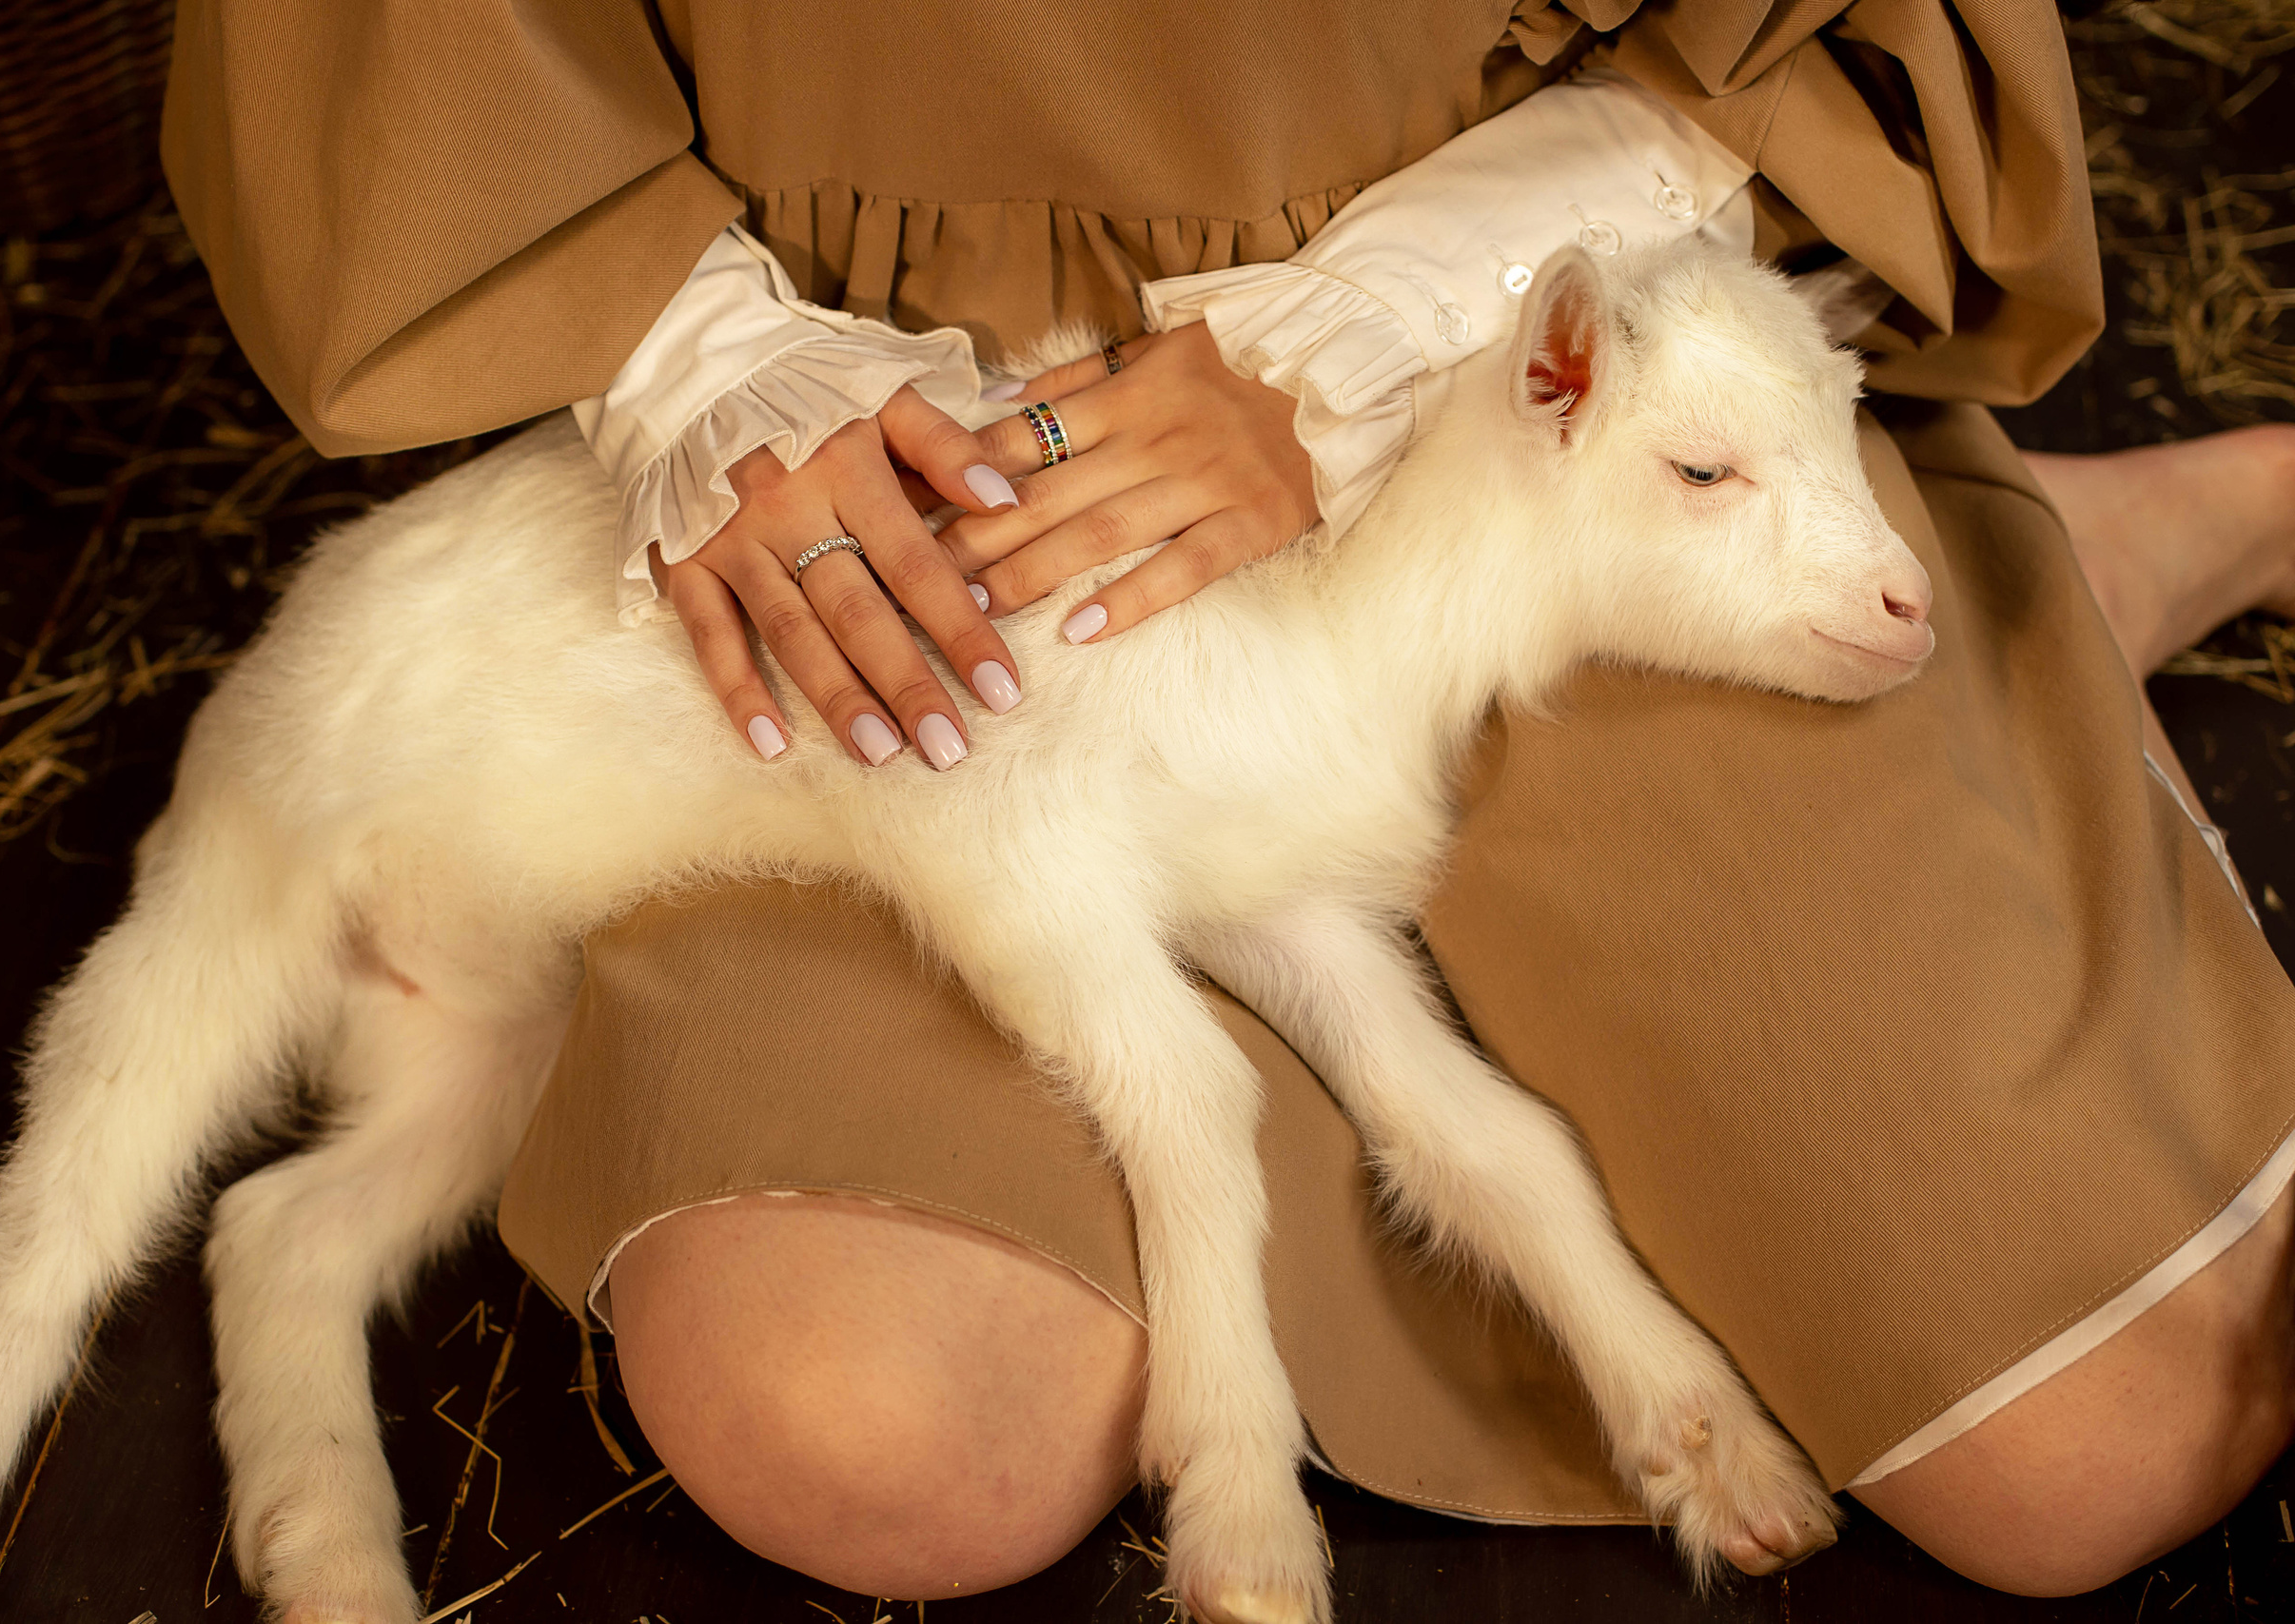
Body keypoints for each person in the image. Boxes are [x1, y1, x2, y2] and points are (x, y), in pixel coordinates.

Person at [162, 0, 2295, 1603]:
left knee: (2093, 1449)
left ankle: (2043, 566)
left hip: (1500, 357)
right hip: (885, 471)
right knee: (890, 1431)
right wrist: (696, 358)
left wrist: (1357, 326)